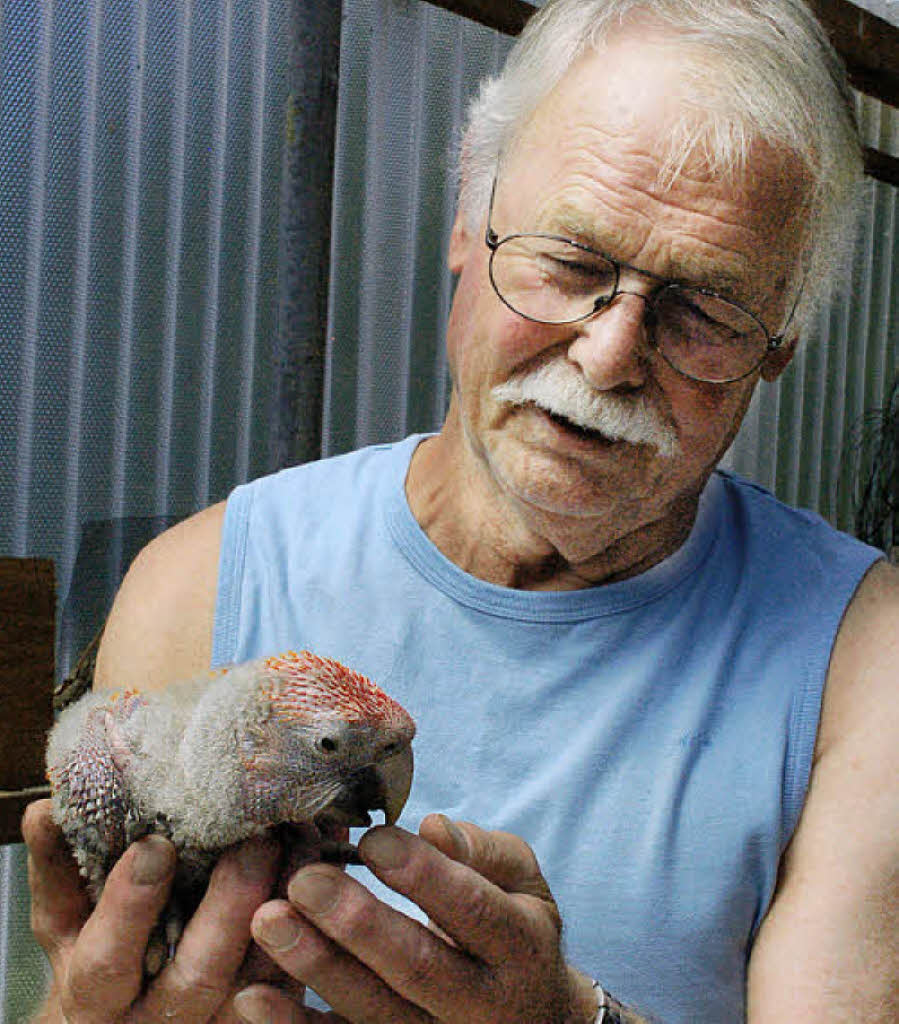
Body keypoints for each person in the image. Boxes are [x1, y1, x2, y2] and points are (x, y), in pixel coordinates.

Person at [23, 0, 899, 1021]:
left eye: (706, 307)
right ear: (465, 222)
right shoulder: (194, 586)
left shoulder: (862, 662)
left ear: (780, 342)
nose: (609, 356)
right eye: (569, 262)